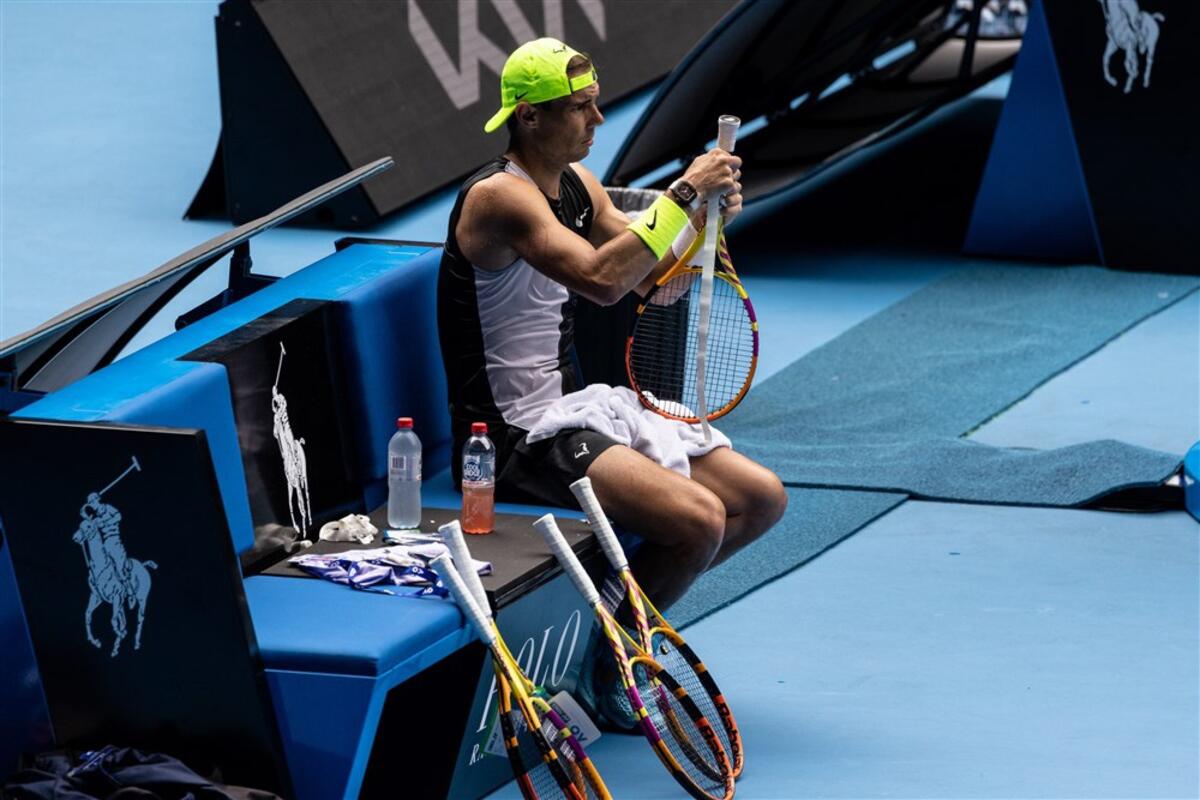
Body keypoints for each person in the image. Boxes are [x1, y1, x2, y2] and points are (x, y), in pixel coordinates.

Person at [437, 37, 787, 654]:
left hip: (574, 410)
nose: (598, 119)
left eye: (596, 103)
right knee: (700, 519)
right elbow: (602, 281)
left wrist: (705, 222)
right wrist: (683, 194)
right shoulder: (498, 197)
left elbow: (658, 281)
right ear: (529, 116)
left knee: (760, 499)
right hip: (511, 438)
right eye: (580, 107)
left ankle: (614, 625)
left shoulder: (579, 184)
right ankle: (615, 661)